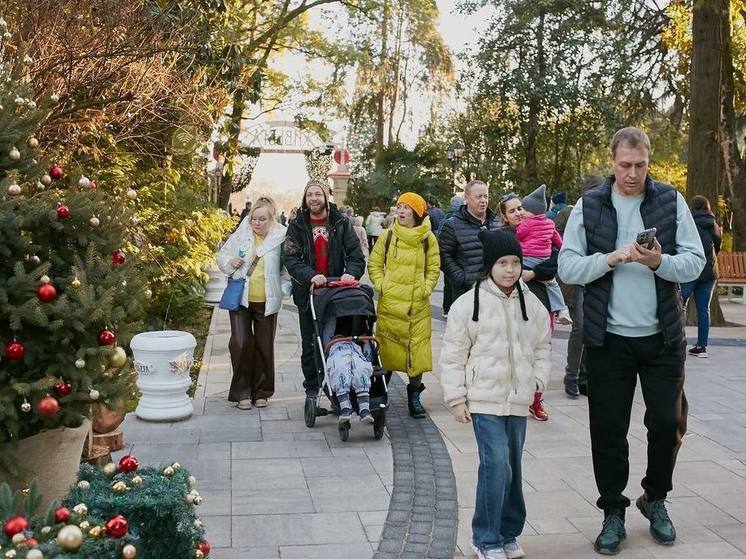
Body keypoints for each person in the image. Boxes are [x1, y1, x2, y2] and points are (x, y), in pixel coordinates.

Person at [558, 127, 705, 555]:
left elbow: (695, 262)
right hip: (608, 340)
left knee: (667, 424)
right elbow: (566, 267)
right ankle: (612, 513)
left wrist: (659, 261)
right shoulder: (590, 205)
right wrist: (609, 259)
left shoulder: (669, 200)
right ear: (612, 161)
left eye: (640, 165)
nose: (632, 174)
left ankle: (654, 497)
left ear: (649, 161)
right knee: (608, 430)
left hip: (662, 339)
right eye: (625, 165)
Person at [440, 230, 551, 559]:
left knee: (512, 467)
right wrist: (456, 398)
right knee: (496, 465)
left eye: (515, 262)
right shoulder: (467, 304)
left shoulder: (530, 302)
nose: (509, 269)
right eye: (502, 263)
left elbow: (543, 343)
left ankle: (508, 532)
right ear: (489, 265)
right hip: (483, 399)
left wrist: (538, 381)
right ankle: (485, 538)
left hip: (517, 400)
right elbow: (453, 355)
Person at [284, 180, 366, 416]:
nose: (313, 198)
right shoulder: (297, 225)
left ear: (325, 196)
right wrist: (311, 275)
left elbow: (355, 255)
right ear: (305, 198)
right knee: (310, 343)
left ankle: (340, 387)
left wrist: (351, 273)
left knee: (337, 340)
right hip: (309, 293)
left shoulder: (341, 223)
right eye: (309, 194)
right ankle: (312, 387)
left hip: (338, 294)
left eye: (317, 194)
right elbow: (291, 259)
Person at [368, 192, 440, 418]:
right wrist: (383, 285)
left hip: (417, 306)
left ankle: (414, 397)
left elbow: (433, 268)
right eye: (399, 206)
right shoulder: (387, 236)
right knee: (387, 350)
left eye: (406, 207)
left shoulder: (428, 239)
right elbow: (374, 264)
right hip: (390, 304)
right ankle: (380, 394)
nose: (400, 211)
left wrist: (425, 289)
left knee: (416, 352)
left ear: (417, 212)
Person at [217, 196, 291, 410]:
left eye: (262, 219)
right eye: (254, 219)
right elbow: (222, 256)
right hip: (241, 299)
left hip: (267, 302)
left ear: (272, 220)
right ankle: (242, 393)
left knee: (264, 347)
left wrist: (282, 290)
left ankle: (261, 392)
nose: (257, 223)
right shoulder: (242, 235)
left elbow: (287, 271)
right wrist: (230, 263)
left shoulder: (281, 239)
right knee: (240, 343)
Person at [499, 193, 557, 422]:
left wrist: (533, 273)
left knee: (540, 350)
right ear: (504, 216)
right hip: (512, 300)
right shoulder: (503, 237)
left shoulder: (541, 230)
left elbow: (554, 260)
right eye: (512, 211)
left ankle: (536, 398)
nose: (519, 213)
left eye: (520, 208)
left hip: (541, 299)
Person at [555, 176, 605, 398]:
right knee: (581, 327)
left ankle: (585, 377)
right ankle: (572, 377)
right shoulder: (570, 213)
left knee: (592, 326)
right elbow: (553, 240)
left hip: (595, 277)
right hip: (574, 278)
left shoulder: (605, 215)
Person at [439, 180, 500, 312]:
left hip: (495, 292)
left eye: (486, 196)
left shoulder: (496, 222)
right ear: (467, 198)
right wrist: (461, 278)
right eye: (478, 197)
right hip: (466, 293)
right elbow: (444, 256)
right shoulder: (452, 225)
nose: (483, 200)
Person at [515, 184, 572, 325]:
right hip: (544, 258)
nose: (522, 213)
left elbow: (517, 238)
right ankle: (562, 309)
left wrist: (521, 245)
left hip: (528, 258)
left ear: (533, 212)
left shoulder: (526, 224)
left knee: (520, 280)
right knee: (552, 284)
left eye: (525, 210)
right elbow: (558, 241)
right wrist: (564, 249)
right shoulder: (550, 224)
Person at [681, 195, 721, 358]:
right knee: (703, 309)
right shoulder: (713, 224)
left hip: (691, 270)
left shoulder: (688, 222)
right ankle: (702, 346)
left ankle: (677, 342)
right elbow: (718, 246)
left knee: (679, 305)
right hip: (710, 272)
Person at [326, 316, 375, 425]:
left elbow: (369, 357)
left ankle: (364, 409)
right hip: (337, 350)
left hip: (355, 349)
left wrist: (366, 343)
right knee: (339, 368)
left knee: (362, 369)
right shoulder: (332, 339)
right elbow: (326, 340)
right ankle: (345, 408)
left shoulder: (358, 343)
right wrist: (334, 339)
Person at [438, 195, 465, 317]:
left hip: (447, 258)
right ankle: (454, 309)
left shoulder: (445, 218)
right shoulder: (460, 219)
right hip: (459, 258)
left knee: (447, 285)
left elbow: (439, 234)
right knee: (456, 287)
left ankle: (446, 308)